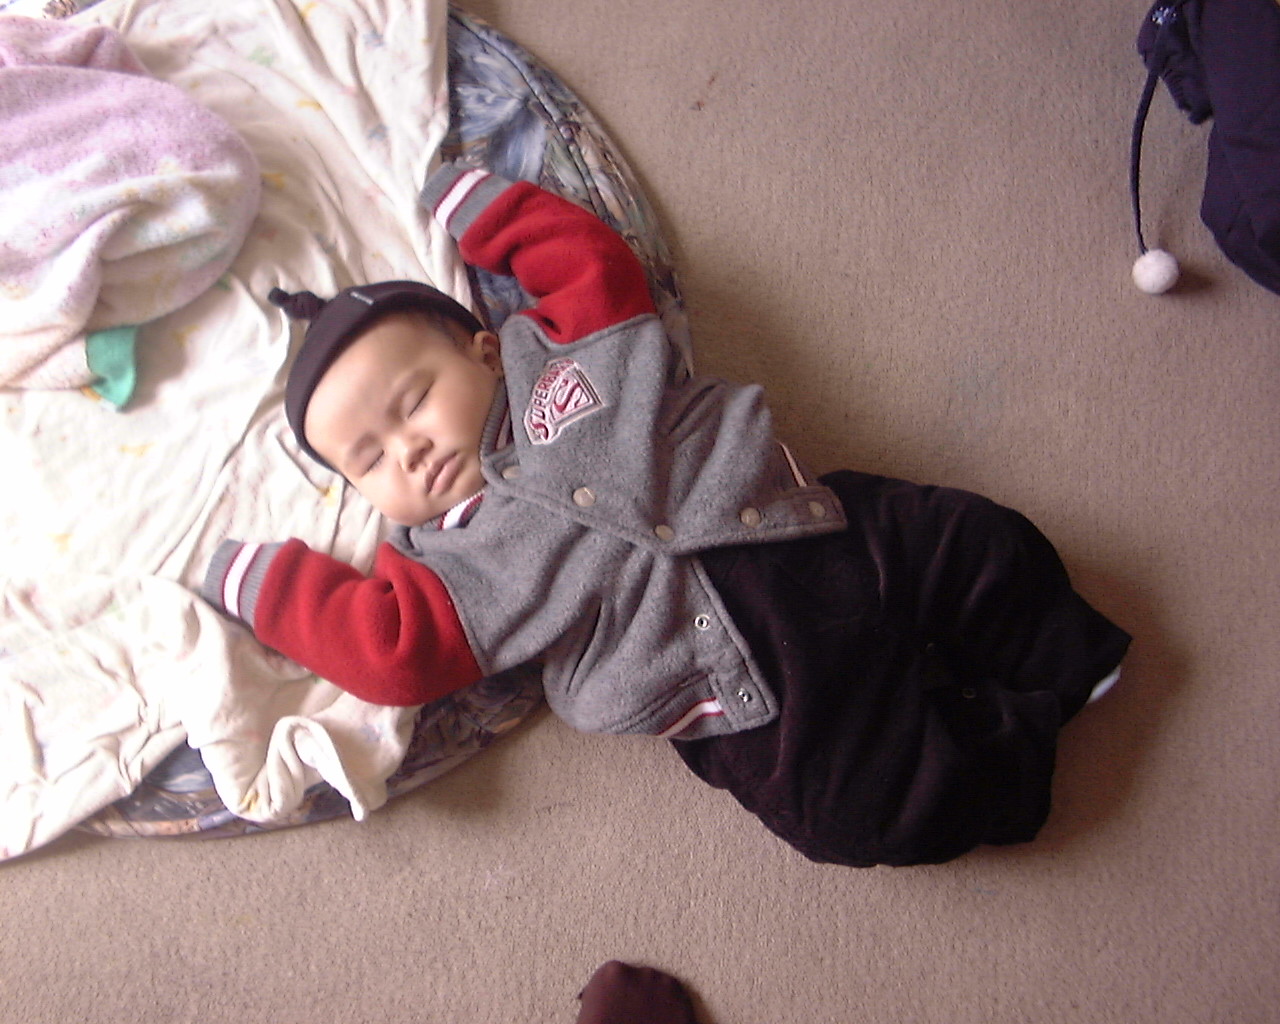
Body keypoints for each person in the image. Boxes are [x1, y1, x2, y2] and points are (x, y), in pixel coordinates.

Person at [201, 162, 1131, 866]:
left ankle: (1063, 658)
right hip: (735, 688)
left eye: (413, 403)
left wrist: (480, 209)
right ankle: (1002, 747)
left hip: (814, 528)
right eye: (369, 460)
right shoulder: (445, 572)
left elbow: (588, 263)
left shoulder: (565, 357)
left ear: (485, 353)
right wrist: (262, 582)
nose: (406, 449)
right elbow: (385, 652)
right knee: (851, 811)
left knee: (972, 545)